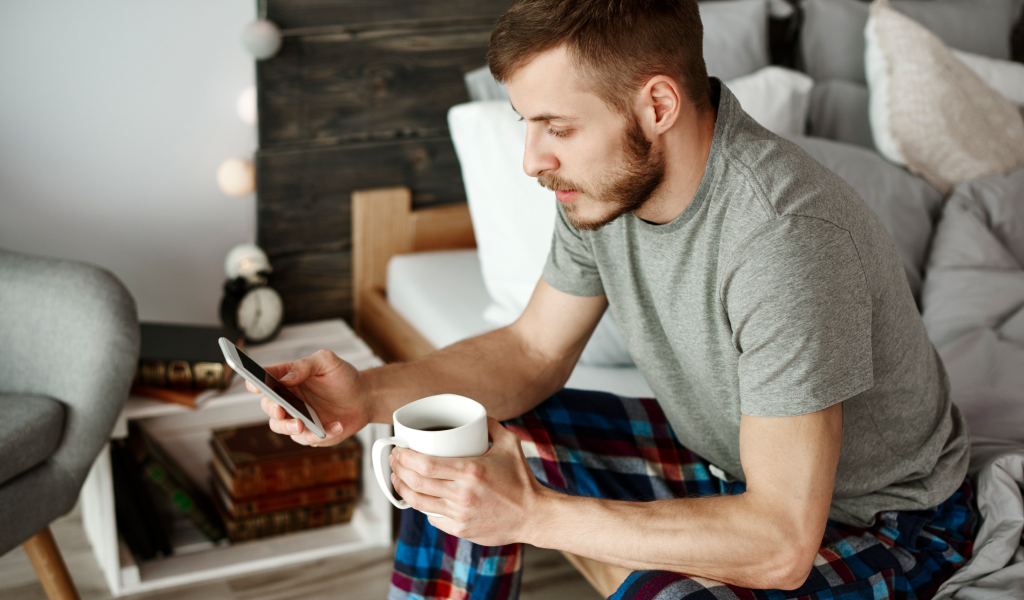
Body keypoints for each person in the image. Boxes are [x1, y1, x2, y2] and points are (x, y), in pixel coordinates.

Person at [247, 1, 975, 598]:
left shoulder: (785, 240)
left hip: (879, 520)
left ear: (657, 104)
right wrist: (364, 394)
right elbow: (531, 351)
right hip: (727, 464)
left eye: (557, 128)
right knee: (448, 446)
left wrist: (529, 514)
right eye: (526, 125)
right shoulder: (602, 188)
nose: (533, 160)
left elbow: (782, 543)